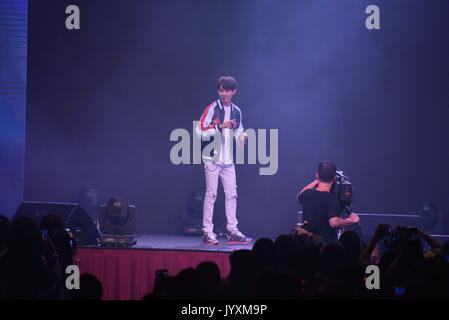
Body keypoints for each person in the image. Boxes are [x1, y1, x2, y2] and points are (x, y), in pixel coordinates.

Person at [195, 76, 251, 245]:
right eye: (221, 90)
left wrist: (243, 137)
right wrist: (219, 127)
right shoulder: (212, 108)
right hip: (212, 157)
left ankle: (232, 230)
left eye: (227, 90)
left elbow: (238, 130)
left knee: (232, 195)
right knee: (211, 194)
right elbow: (200, 131)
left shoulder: (237, 111)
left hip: (228, 159)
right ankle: (207, 232)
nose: (223, 93)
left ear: (233, 92)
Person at [297, 161, 359, 245]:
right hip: (325, 246)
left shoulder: (307, 194)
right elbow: (334, 222)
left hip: (308, 245)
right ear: (334, 178)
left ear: (317, 175)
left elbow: (299, 195)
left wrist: (317, 181)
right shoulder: (332, 200)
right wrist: (350, 220)